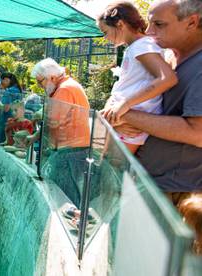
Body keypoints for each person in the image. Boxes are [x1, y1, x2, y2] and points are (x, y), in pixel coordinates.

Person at [116, 0, 202, 197]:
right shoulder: (169, 59)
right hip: (149, 183)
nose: (148, 32)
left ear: (191, 22)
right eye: (149, 24)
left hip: (174, 191)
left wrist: (125, 114)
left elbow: (198, 134)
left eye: (159, 24)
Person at [98, 1, 178, 154]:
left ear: (120, 24)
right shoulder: (136, 47)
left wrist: (125, 105)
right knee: (109, 166)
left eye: (105, 32)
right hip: (123, 118)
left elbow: (168, 79)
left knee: (113, 168)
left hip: (132, 121)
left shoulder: (142, 46)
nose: (104, 37)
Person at [28, 58, 90, 207]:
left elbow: (53, 122)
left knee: (66, 193)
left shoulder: (64, 89)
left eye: (40, 81)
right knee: (67, 190)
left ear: (52, 77)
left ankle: (69, 221)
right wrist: (35, 136)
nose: (39, 85)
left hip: (71, 149)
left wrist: (38, 117)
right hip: (70, 148)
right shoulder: (62, 87)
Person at [0, 72, 23, 143]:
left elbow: (6, 108)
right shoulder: (18, 90)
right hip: (16, 121)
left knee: (2, 142)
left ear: (6, 80)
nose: (1, 83)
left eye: (2, 81)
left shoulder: (9, 91)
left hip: (7, 121)